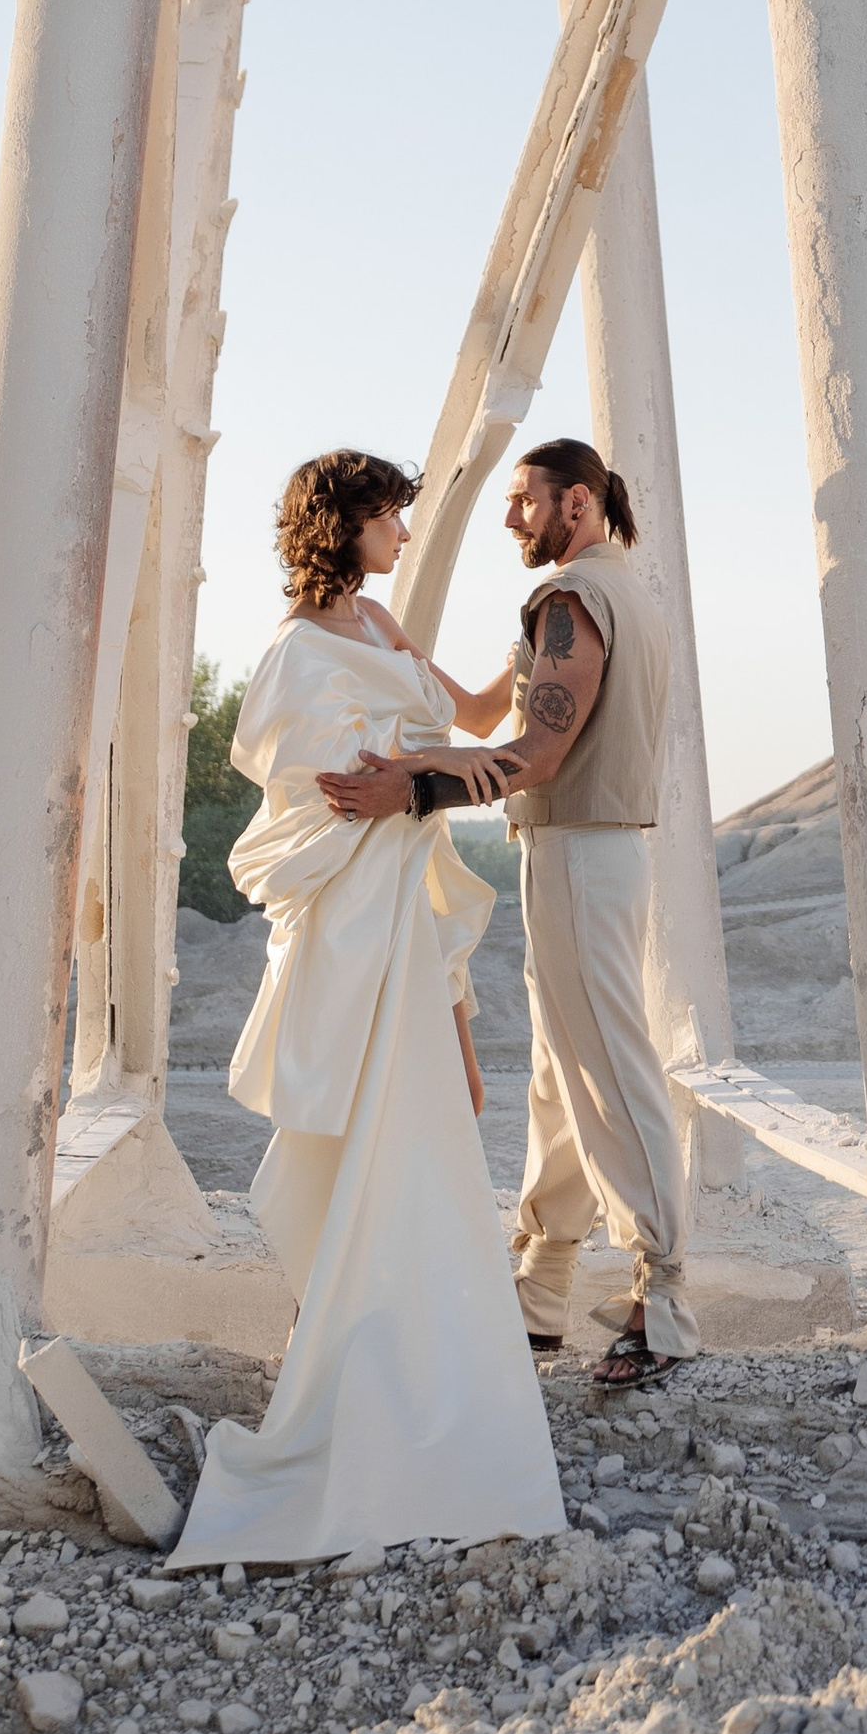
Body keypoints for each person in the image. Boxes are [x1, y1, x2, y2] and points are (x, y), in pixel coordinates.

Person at [172, 451, 564, 1567]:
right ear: (342, 523)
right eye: (389, 514)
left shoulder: (382, 623)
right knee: (366, 1124)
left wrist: (536, 643)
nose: (401, 531)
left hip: (407, 892)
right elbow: (343, 790)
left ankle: (409, 1361)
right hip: (356, 909)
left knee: (433, 1123)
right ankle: (344, 1361)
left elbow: (466, 715)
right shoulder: (296, 651)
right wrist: (424, 776)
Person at [320, 434, 699, 1392]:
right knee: (560, 1078)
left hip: (580, 849)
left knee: (608, 1069)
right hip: (581, 853)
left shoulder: (573, 600)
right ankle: (539, 1294)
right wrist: (401, 652)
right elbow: (485, 717)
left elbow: (536, 755)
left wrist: (410, 787)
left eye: (523, 498)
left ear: (577, 503)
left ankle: (664, 1303)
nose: (507, 515)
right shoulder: (612, 591)